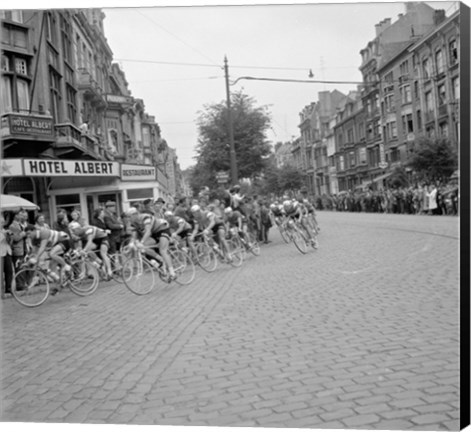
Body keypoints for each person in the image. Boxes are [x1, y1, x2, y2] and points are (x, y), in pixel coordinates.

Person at [126, 207, 176, 280]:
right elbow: (134, 235)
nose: (128, 219)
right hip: (154, 233)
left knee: (162, 250)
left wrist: (142, 242)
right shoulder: (133, 223)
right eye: (127, 217)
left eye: (129, 216)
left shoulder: (145, 217)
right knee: (144, 247)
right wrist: (130, 244)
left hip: (162, 229)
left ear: (135, 214)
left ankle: (172, 273)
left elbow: (148, 231)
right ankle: (161, 260)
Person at [1, 214, 13, 295]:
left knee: (9, 271)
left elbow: (10, 243)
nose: (2, 224)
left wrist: (9, 237)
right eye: (1, 222)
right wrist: (4, 236)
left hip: (7, 252)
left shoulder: (4, 231)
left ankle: (9, 288)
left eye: (2, 222)